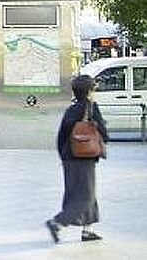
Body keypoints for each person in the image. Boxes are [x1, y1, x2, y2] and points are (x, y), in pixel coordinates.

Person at [46, 74, 108, 244]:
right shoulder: (91, 108)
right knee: (85, 196)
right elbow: (104, 133)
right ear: (89, 91)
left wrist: (63, 155)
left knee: (81, 192)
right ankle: (57, 223)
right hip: (84, 158)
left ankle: (88, 230)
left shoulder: (71, 109)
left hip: (69, 157)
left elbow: (61, 136)